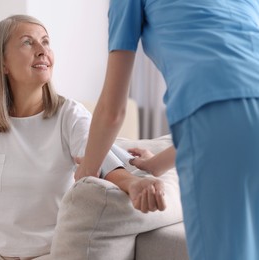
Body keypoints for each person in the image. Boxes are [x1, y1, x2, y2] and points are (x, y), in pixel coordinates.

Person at [0, 15, 166, 260]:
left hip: (52, 252)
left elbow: (101, 162)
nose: (43, 50)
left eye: (46, 42)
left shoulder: (69, 115)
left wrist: (132, 184)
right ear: (2, 62)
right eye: (28, 42)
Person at [75, 1, 259, 260]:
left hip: (215, 118)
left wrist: (87, 170)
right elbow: (242, 102)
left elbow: (112, 110)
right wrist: (157, 164)